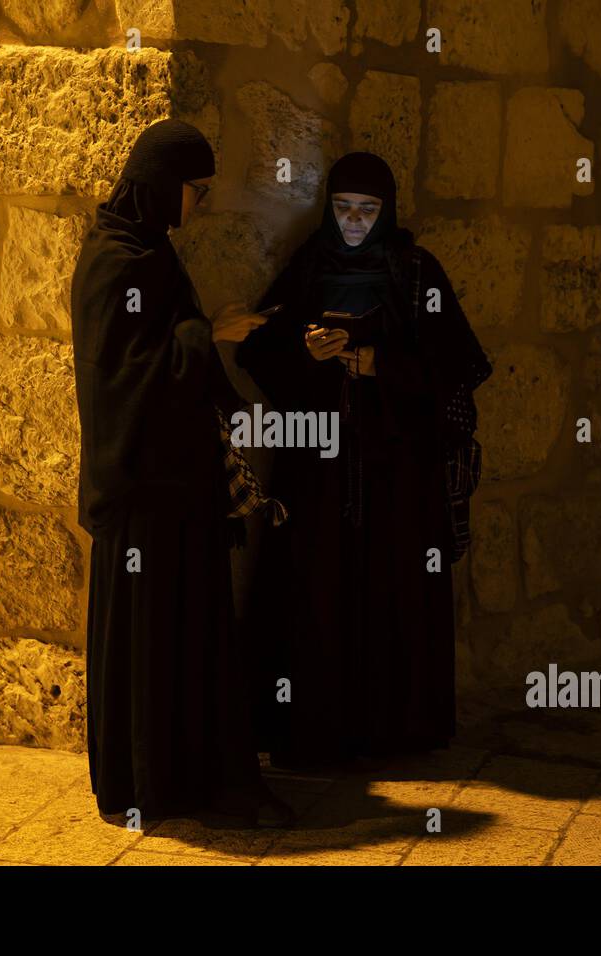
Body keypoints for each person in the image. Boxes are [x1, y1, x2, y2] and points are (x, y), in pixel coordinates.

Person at [70, 118, 293, 827]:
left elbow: (158, 351)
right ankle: (151, 781)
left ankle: (180, 774)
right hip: (144, 491)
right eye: (196, 192)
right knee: (154, 636)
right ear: (164, 186)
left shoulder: (146, 253)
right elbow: (127, 381)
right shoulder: (117, 261)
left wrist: (205, 331)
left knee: (180, 635)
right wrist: (209, 334)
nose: (199, 206)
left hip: (173, 487)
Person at [236, 151, 492, 770]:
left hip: (396, 469)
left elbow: (457, 366)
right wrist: (312, 356)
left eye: (367, 211)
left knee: (392, 586)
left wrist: (382, 367)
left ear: (387, 211)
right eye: (344, 209)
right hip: (320, 466)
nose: (353, 222)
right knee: (316, 587)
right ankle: (317, 728)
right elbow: (261, 349)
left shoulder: (415, 274)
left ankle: (393, 728)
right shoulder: (311, 267)